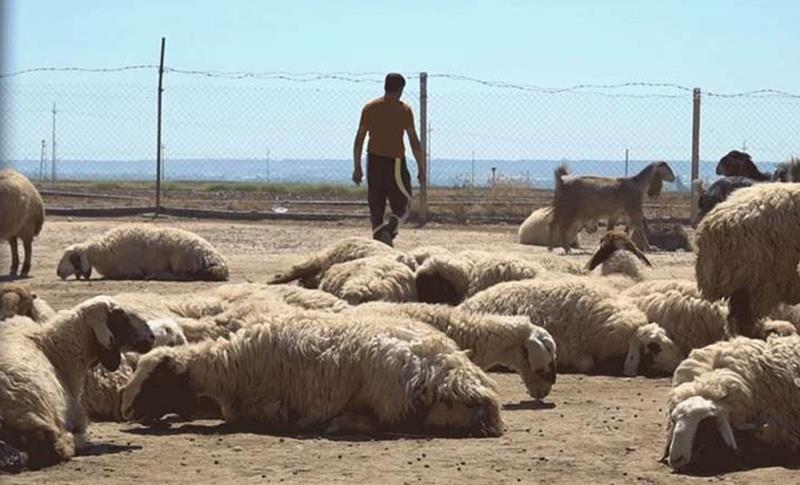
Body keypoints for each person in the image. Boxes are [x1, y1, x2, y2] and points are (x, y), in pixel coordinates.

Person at [353, 73, 426, 246]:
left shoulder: (369, 108)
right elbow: (414, 141)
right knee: (404, 204)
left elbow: (359, 139)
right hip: (395, 163)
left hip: (373, 161)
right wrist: (421, 168)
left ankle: (379, 240)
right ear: (400, 89)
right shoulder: (404, 110)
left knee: (376, 205)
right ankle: (390, 229)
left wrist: (357, 167)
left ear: (385, 86)